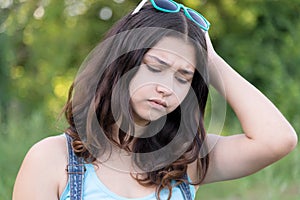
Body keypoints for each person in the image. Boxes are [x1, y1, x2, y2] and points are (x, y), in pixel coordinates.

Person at [13, 0, 297, 200]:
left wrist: (209, 59)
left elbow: (277, 140)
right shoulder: (52, 160)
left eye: (183, 77)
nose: (166, 87)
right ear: (121, 63)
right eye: (156, 67)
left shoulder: (187, 159)